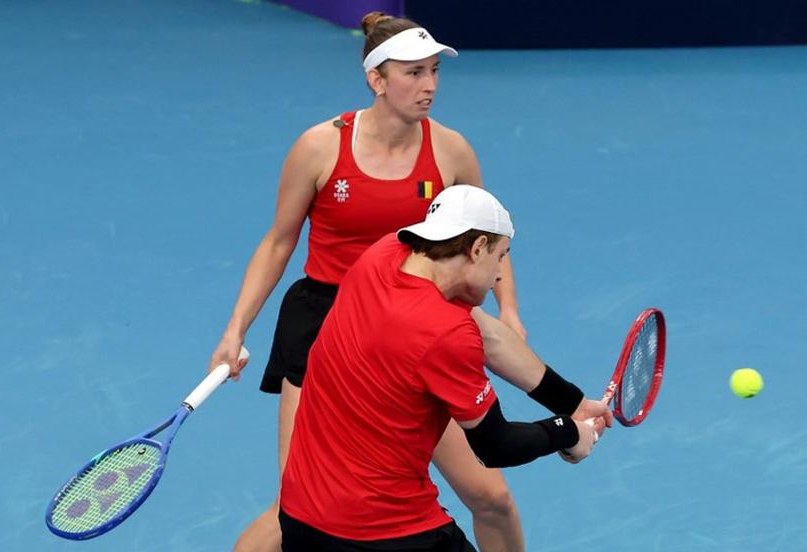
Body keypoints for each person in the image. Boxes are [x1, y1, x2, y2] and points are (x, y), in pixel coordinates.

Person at [212, 12, 534, 552]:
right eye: (412, 73)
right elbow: (278, 242)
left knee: (491, 497)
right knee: (293, 508)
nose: (429, 85)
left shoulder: (451, 150)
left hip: (413, 330)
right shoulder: (319, 148)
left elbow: (489, 238)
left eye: (434, 71)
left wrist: (510, 312)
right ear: (376, 80)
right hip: (324, 330)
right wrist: (235, 329)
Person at [279, 185, 613, 551]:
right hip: (387, 533)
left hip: (301, 521)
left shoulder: (383, 254)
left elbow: (493, 338)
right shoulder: (445, 332)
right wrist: (567, 432)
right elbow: (496, 445)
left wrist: (573, 403)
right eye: (501, 256)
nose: (501, 274)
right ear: (477, 248)